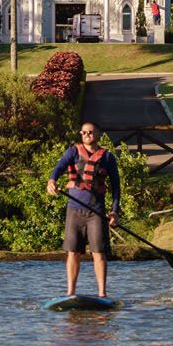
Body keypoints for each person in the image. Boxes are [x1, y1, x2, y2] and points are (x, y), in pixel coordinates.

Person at [46, 121, 121, 298]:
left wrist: (114, 211)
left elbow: (116, 187)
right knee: (72, 252)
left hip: (96, 212)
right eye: (84, 132)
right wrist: (52, 181)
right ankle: (70, 293)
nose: (87, 135)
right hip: (74, 211)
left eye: (91, 132)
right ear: (81, 134)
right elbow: (59, 167)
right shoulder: (73, 152)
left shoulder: (107, 157)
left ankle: (102, 294)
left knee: (98, 252)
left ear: (98, 134)